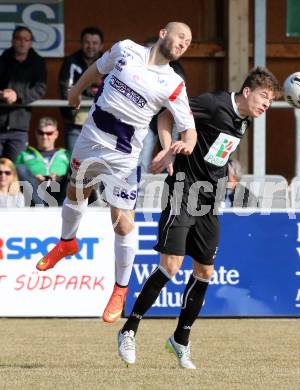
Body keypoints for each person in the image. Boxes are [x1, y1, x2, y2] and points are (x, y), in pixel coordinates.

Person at [117, 67, 281, 369]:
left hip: (210, 200)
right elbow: (166, 113)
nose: (266, 105)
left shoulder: (244, 120)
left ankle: (180, 340)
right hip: (182, 192)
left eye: (270, 101)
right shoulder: (213, 103)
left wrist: (225, 169)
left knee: (205, 272)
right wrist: (167, 149)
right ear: (247, 92)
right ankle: (129, 329)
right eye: (264, 98)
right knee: (170, 266)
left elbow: (216, 148)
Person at [35, 22, 196, 325]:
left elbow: (189, 131)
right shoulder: (126, 49)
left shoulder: (173, 84)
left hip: (123, 157)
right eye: (181, 36)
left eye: (189, 41)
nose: (184, 43)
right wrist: (75, 90)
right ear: (163, 33)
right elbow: (97, 68)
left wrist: (177, 147)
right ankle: (67, 242)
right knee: (75, 192)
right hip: (91, 137)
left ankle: (120, 290)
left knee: (122, 223)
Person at [0, 26, 47, 161]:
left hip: (19, 127)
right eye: (19, 39)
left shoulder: (38, 62)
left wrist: (17, 96)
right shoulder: (2, 60)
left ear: (31, 42)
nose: (22, 42)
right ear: (13, 41)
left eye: (26, 39)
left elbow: (40, 89)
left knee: (17, 170)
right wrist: (2, 94)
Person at [59, 27, 104, 152]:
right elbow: (66, 90)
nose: (91, 46)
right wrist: (91, 90)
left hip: (101, 125)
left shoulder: (108, 62)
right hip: (75, 123)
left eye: (95, 43)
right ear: (81, 43)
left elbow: (111, 92)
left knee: (98, 165)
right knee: (75, 166)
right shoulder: (71, 61)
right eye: (87, 42)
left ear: (101, 45)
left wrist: (81, 91)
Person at [15, 117, 70, 206]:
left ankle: (61, 208)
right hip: (35, 191)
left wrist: (60, 177)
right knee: (20, 168)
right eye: (41, 133)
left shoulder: (66, 154)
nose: (45, 137)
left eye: (49, 133)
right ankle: (40, 207)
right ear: (36, 133)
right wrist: (33, 178)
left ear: (56, 134)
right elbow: (12, 176)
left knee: (76, 170)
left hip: (60, 190)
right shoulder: (24, 154)